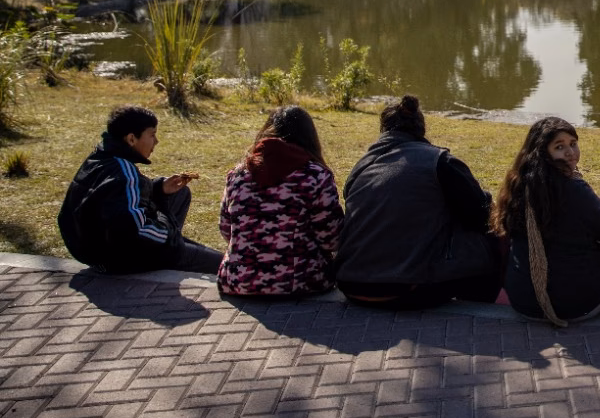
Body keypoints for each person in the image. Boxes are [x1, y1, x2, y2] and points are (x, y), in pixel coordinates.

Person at [335, 96, 499, 309]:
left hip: (351, 285)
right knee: (493, 238)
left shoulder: (361, 167)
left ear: (384, 130)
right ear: (421, 128)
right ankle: (485, 317)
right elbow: (480, 216)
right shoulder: (441, 162)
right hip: (405, 288)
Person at [57, 105, 223, 275]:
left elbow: (117, 201)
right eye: (152, 135)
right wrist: (167, 232)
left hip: (91, 250)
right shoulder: (125, 174)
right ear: (131, 139)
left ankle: (174, 246)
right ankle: (172, 254)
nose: (156, 141)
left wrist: (159, 188)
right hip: (119, 259)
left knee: (179, 193)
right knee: (224, 265)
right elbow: (137, 231)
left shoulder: (99, 158)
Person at [493, 117, 600, 324]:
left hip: (523, 300)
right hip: (574, 304)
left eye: (573, 144)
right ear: (542, 152)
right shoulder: (574, 189)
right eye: (559, 147)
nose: (570, 152)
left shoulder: (517, 185)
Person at [217, 106, 343, 298]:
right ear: (309, 137)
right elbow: (331, 238)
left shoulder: (238, 174)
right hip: (302, 282)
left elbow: (227, 229)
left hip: (237, 282)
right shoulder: (316, 176)